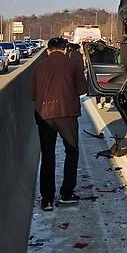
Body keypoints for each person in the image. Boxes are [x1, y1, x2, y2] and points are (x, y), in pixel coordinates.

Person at [30, 37, 87, 211]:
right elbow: (82, 90)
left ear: (48, 51)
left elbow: (33, 95)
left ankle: (47, 200)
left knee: (48, 156)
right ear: (65, 50)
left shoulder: (38, 67)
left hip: (45, 114)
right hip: (67, 114)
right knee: (71, 151)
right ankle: (67, 193)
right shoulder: (73, 65)